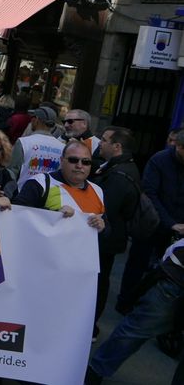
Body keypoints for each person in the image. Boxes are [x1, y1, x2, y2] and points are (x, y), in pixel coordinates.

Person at [85, 240, 184, 385]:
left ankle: (93, 372)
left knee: (132, 332)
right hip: (175, 285)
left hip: (174, 283)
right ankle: (92, 373)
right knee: (133, 332)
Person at [117, 129, 184, 314]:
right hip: (152, 222)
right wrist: (170, 222)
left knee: (168, 271)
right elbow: (150, 193)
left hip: (178, 228)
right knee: (137, 264)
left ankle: (155, 309)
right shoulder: (159, 160)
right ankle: (126, 302)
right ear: (178, 147)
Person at [89, 126, 140, 338]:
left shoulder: (120, 174)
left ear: (117, 146)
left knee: (98, 282)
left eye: (105, 140)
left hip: (106, 239)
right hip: (107, 237)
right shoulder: (114, 166)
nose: (100, 143)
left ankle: (90, 326)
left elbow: (104, 207)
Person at [12, 140, 106, 230]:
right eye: (73, 160)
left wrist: (102, 228)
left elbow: (106, 232)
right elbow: (17, 214)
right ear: (61, 160)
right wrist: (53, 214)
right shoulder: (40, 182)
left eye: (86, 162)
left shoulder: (97, 190)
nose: (79, 166)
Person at [9, 105, 65, 188]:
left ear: (36, 120)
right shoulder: (63, 147)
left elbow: (12, 172)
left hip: (23, 194)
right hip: (50, 195)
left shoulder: (24, 142)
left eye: (33, 118)